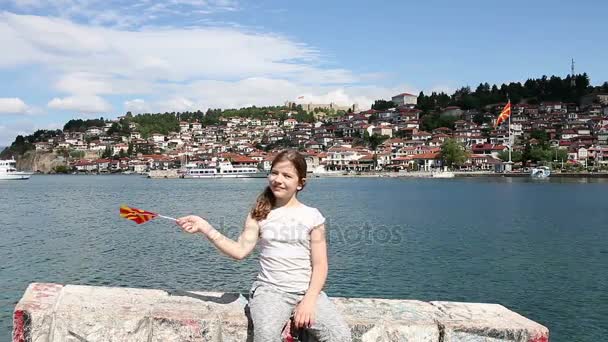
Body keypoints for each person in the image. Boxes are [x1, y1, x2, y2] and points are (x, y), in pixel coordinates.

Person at [176, 150, 351, 342]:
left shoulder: (313, 216)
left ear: (300, 183)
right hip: (270, 292)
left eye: (287, 175)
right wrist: (206, 228)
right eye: (274, 173)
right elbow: (239, 251)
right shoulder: (259, 214)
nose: (278, 179)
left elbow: (320, 265)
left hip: (307, 292)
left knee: (340, 336)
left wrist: (309, 300)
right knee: (266, 336)